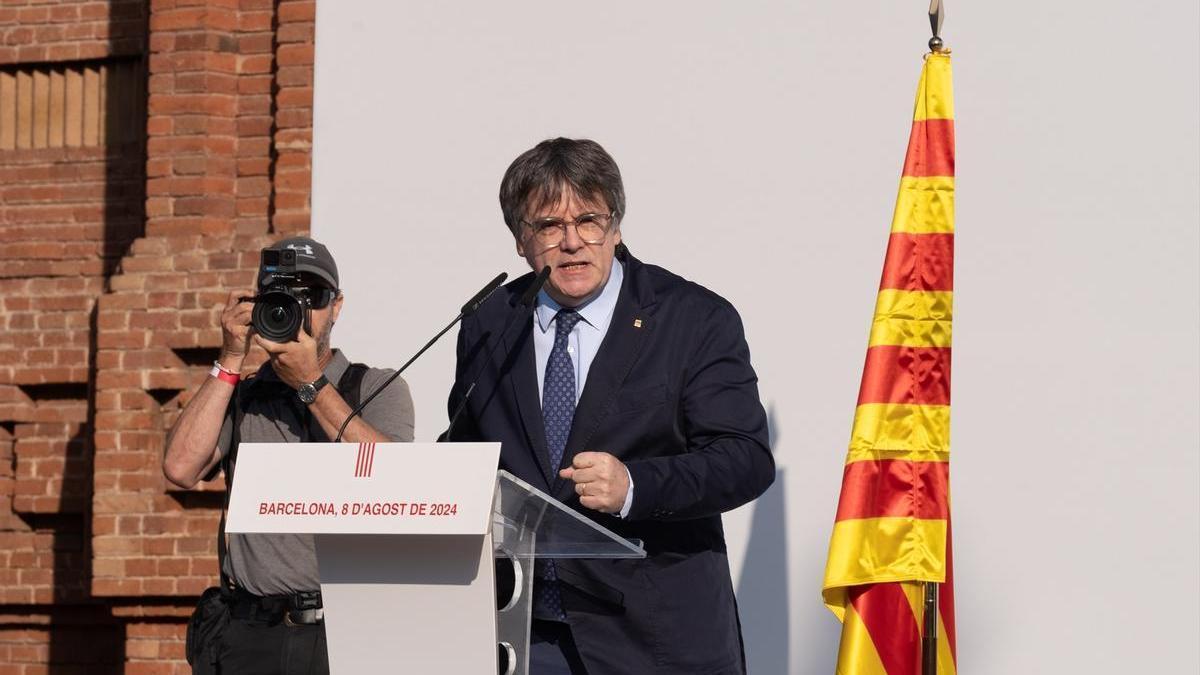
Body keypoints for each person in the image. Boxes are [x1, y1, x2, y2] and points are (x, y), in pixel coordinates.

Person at [446, 138, 775, 674]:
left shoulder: (693, 318)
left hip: (654, 638)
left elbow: (745, 459)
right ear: (520, 240)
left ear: (616, 227)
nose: (572, 242)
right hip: (525, 635)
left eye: (589, 220)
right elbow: (466, 450)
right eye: (548, 226)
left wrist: (635, 487)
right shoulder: (489, 321)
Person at [163, 236, 414, 675]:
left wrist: (311, 384)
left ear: (336, 307)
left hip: (346, 633)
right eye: (282, 297)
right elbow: (181, 468)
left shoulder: (373, 386)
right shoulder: (242, 396)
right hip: (250, 634)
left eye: (312, 297)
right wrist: (229, 359)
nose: (297, 312)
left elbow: (393, 479)